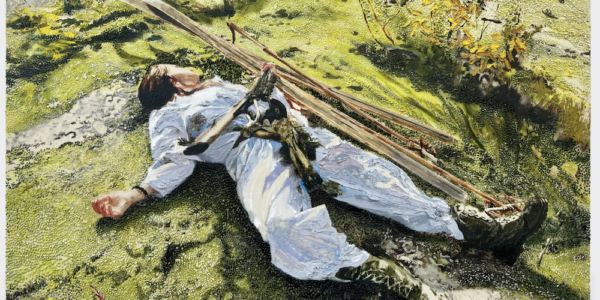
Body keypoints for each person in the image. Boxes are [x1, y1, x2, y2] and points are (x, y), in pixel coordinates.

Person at [92, 64, 548, 299]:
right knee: (283, 226)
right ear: (172, 83)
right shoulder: (168, 113)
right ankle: (386, 278)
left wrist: (293, 109)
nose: (189, 68)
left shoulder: (219, 84)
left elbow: (278, 99)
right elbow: (173, 159)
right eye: (179, 68)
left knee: (378, 180)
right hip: (249, 153)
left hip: (300, 136)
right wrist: (134, 195)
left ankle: (482, 230)